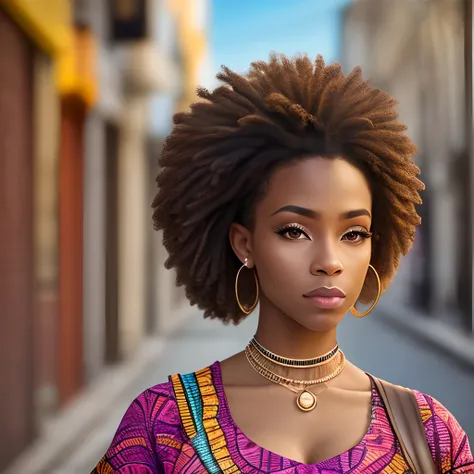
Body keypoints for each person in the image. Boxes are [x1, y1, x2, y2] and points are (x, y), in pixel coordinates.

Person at [91, 54, 473, 473]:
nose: (329, 262)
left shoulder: (430, 433)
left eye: (353, 234)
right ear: (244, 243)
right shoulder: (161, 426)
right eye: (294, 230)